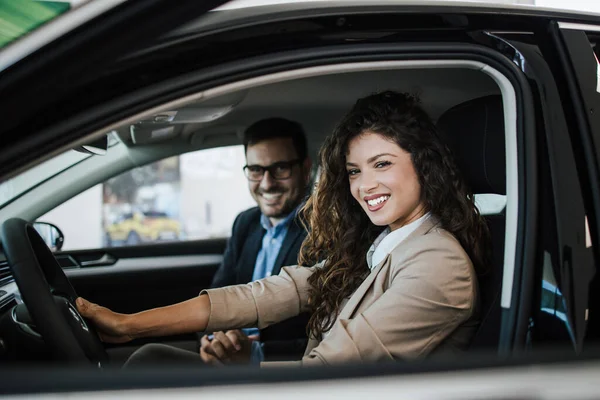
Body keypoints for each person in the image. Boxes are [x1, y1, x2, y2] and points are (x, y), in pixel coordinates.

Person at [77, 91, 490, 366]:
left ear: (423, 164)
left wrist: (249, 370)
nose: (364, 186)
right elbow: (270, 293)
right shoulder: (381, 243)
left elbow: (331, 375)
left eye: (382, 164)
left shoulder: (437, 264)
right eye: (353, 171)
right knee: (151, 359)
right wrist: (128, 324)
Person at [204, 118, 312, 363]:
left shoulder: (327, 229)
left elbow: (332, 337)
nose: (266, 183)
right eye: (255, 170)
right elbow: (218, 295)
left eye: (280, 168)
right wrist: (213, 339)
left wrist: (255, 355)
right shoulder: (245, 223)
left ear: (305, 169)